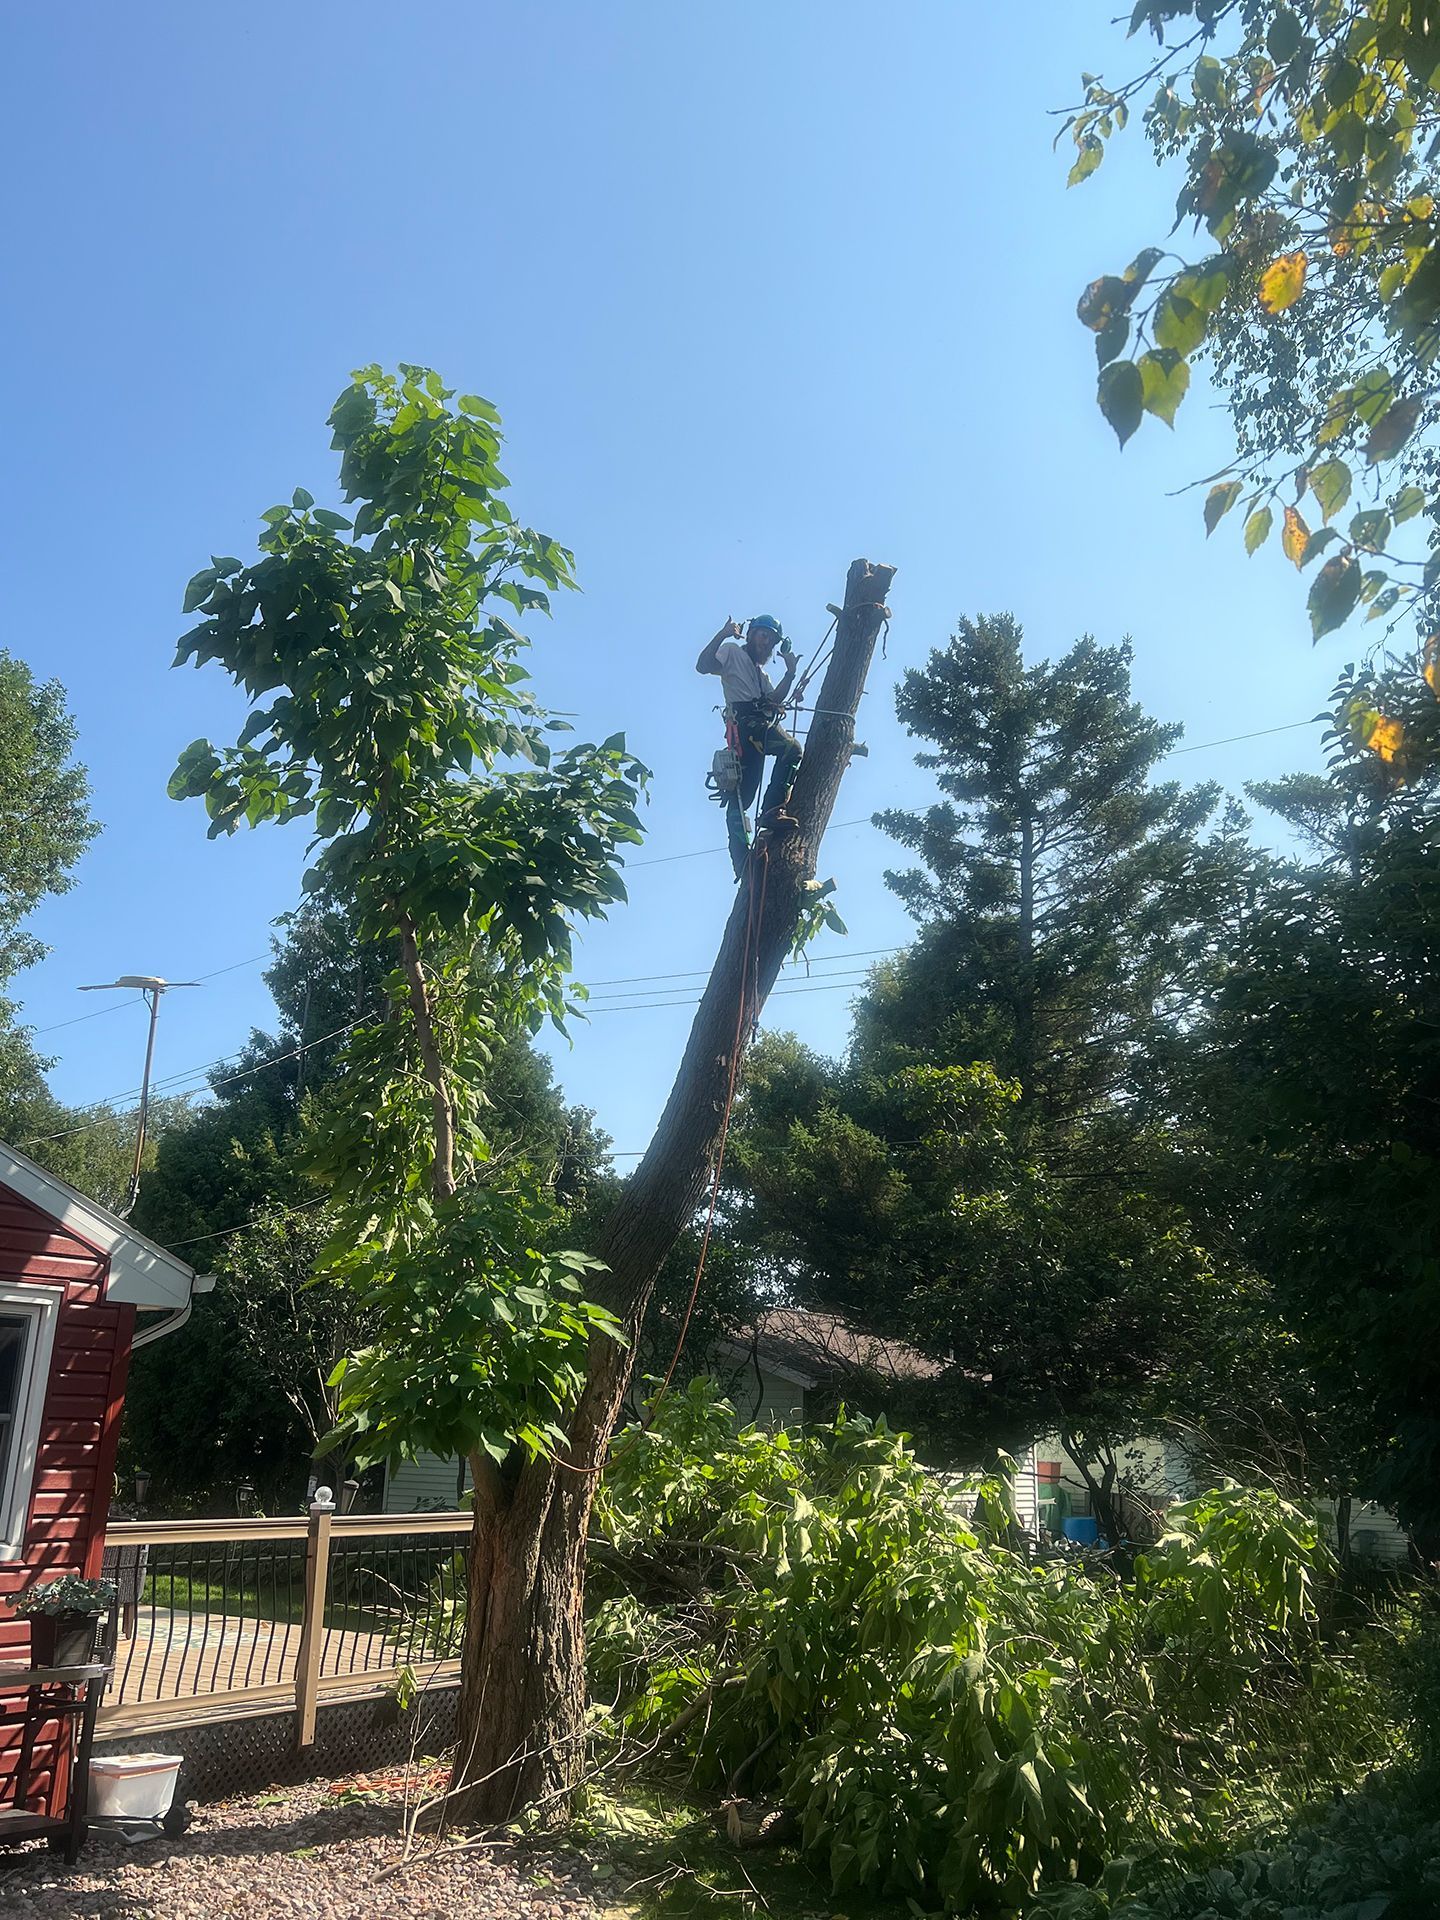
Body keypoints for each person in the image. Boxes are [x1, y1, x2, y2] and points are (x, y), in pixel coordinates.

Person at [696, 614, 802, 879]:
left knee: (741, 796)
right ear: (752, 634)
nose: (766, 643)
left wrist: (790, 673)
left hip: (755, 727)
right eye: (763, 635)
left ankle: (742, 859)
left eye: (772, 640)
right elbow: (703, 665)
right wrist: (723, 634)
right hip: (746, 725)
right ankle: (771, 812)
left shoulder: (760, 674)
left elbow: (774, 699)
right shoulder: (732, 652)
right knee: (791, 749)